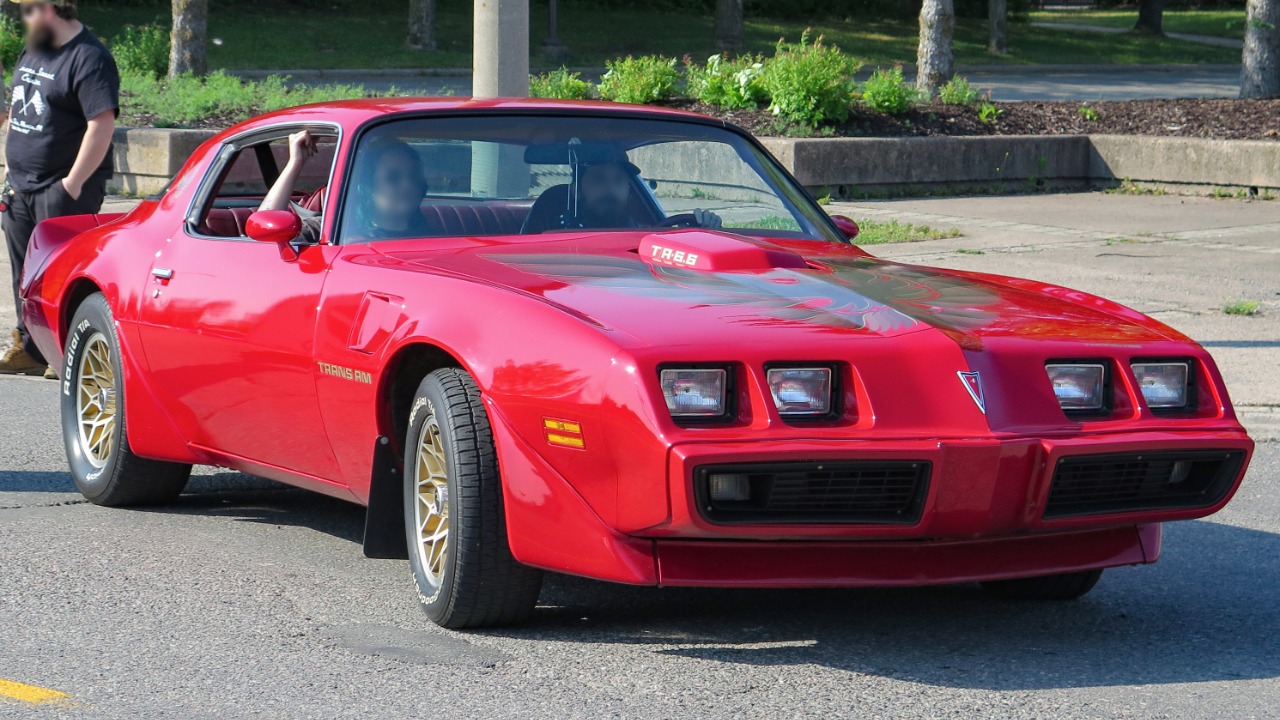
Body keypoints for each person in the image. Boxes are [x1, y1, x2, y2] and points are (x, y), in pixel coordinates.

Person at [1, 0, 119, 376]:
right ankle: (30, 347)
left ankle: (65, 353)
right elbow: (18, 114)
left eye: (28, 9)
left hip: (62, 187)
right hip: (19, 185)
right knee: (25, 271)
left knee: (61, 272)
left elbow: (101, 124)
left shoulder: (89, 58)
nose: (24, 18)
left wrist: (72, 185)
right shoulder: (35, 48)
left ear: (49, 8)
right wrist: (8, 170)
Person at [261, 130, 435, 243]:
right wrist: (295, 162)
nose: (408, 184)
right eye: (393, 177)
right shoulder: (329, 229)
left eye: (414, 174)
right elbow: (264, 232)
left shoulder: (435, 235)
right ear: (366, 186)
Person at [525, 149, 722, 233]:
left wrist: (708, 231)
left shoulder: (646, 235)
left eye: (618, 180)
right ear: (577, 190)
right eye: (599, 179)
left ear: (628, 190)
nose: (610, 189)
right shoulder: (555, 234)